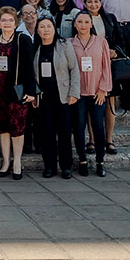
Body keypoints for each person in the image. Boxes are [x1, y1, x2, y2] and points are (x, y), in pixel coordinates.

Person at [0, 6, 36, 179]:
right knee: (2, 127)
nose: (7, 23)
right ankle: (5, 162)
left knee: (17, 127)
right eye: (4, 20)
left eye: (10, 20)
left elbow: (29, 67)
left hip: (17, 91)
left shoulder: (22, 40)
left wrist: (31, 91)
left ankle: (17, 161)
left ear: (16, 23)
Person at [33, 16, 80, 179]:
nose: (45, 30)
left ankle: (66, 166)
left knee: (64, 133)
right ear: (37, 30)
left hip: (63, 96)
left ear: (54, 28)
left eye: (49, 26)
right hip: (44, 98)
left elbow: (74, 69)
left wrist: (74, 92)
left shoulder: (64, 45)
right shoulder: (35, 47)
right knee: (46, 133)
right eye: (42, 27)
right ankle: (49, 166)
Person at [70, 10, 113, 177]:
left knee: (97, 127)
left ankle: (100, 161)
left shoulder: (101, 42)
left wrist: (103, 89)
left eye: (86, 22)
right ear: (75, 24)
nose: (83, 25)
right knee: (79, 127)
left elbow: (106, 67)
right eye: (79, 22)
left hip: (97, 92)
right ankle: (82, 160)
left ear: (91, 24)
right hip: (78, 93)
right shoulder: (69, 43)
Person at [83, 0, 122, 156]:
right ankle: (91, 139)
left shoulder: (110, 18)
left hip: (109, 65)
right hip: (90, 67)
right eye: (89, 2)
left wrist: (115, 52)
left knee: (109, 104)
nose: (93, 5)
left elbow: (120, 41)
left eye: (96, 1)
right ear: (84, 4)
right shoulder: (82, 19)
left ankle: (109, 139)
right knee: (92, 104)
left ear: (101, 3)